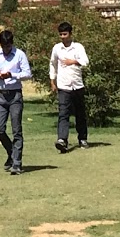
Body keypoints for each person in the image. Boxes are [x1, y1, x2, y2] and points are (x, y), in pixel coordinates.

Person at [0, 27, 32, 174]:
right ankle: (11, 152)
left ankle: (17, 163)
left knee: (16, 130)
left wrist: (12, 75)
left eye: (8, 46)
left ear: (11, 44)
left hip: (15, 96)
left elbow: (27, 74)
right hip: (1, 95)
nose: (6, 50)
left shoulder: (19, 55)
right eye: (3, 46)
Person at [49, 20, 91, 151]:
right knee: (63, 113)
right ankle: (62, 140)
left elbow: (85, 62)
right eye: (61, 34)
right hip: (63, 85)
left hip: (77, 85)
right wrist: (52, 80)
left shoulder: (78, 47)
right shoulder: (57, 48)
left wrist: (73, 61)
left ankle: (82, 139)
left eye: (65, 34)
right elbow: (52, 64)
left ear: (70, 34)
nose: (63, 37)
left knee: (80, 113)